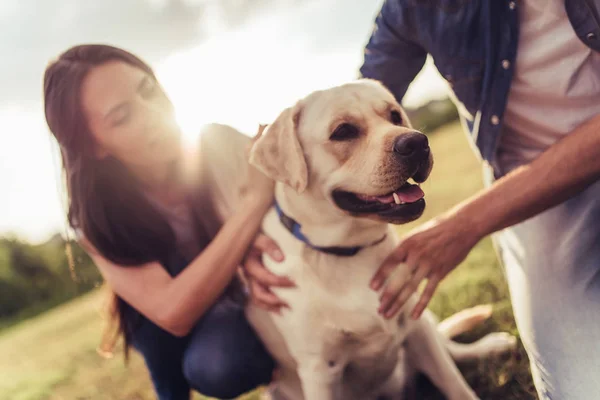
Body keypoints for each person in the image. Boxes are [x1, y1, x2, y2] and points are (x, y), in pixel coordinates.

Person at [356, 1, 600, 398]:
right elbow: (357, 101)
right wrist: (263, 213)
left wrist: (467, 223)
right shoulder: (410, 9)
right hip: (531, 199)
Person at [43, 44, 294, 400]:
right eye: (122, 117)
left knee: (219, 363)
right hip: (163, 325)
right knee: (157, 335)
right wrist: (252, 206)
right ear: (93, 145)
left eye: (148, 91)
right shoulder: (96, 217)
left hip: (235, 302)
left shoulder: (217, 142)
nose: (153, 114)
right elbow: (172, 311)